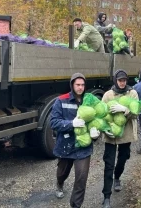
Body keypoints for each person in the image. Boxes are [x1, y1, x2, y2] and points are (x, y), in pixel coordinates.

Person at [50, 73, 100, 208]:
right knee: (62, 173)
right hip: (66, 146)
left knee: (81, 179)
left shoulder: (89, 100)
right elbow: (53, 122)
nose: (80, 87)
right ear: (72, 85)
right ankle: (60, 183)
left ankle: (75, 205)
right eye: (78, 84)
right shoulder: (61, 100)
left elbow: (97, 119)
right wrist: (71, 123)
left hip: (83, 148)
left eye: (83, 85)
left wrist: (96, 133)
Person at [101, 69, 139, 208]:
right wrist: (105, 129)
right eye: (119, 80)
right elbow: (101, 114)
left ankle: (117, 177)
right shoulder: (108, 95)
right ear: (115, 80)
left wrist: (125, 109)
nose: (122, 83)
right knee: (108, 163)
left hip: (126, 133)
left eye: (124, 80)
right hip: (111, 135)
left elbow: (136, 113)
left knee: (123, 157)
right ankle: (106, 197)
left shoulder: (132, 93)